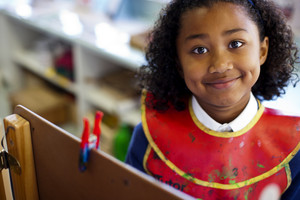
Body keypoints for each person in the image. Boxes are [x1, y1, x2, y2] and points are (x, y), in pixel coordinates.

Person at [125, 0, 300, 199]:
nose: (220, 65)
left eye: (236, 44)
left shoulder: (293, 149)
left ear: (262, 51)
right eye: (199, 49)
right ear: (179, 63)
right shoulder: (149, 137)